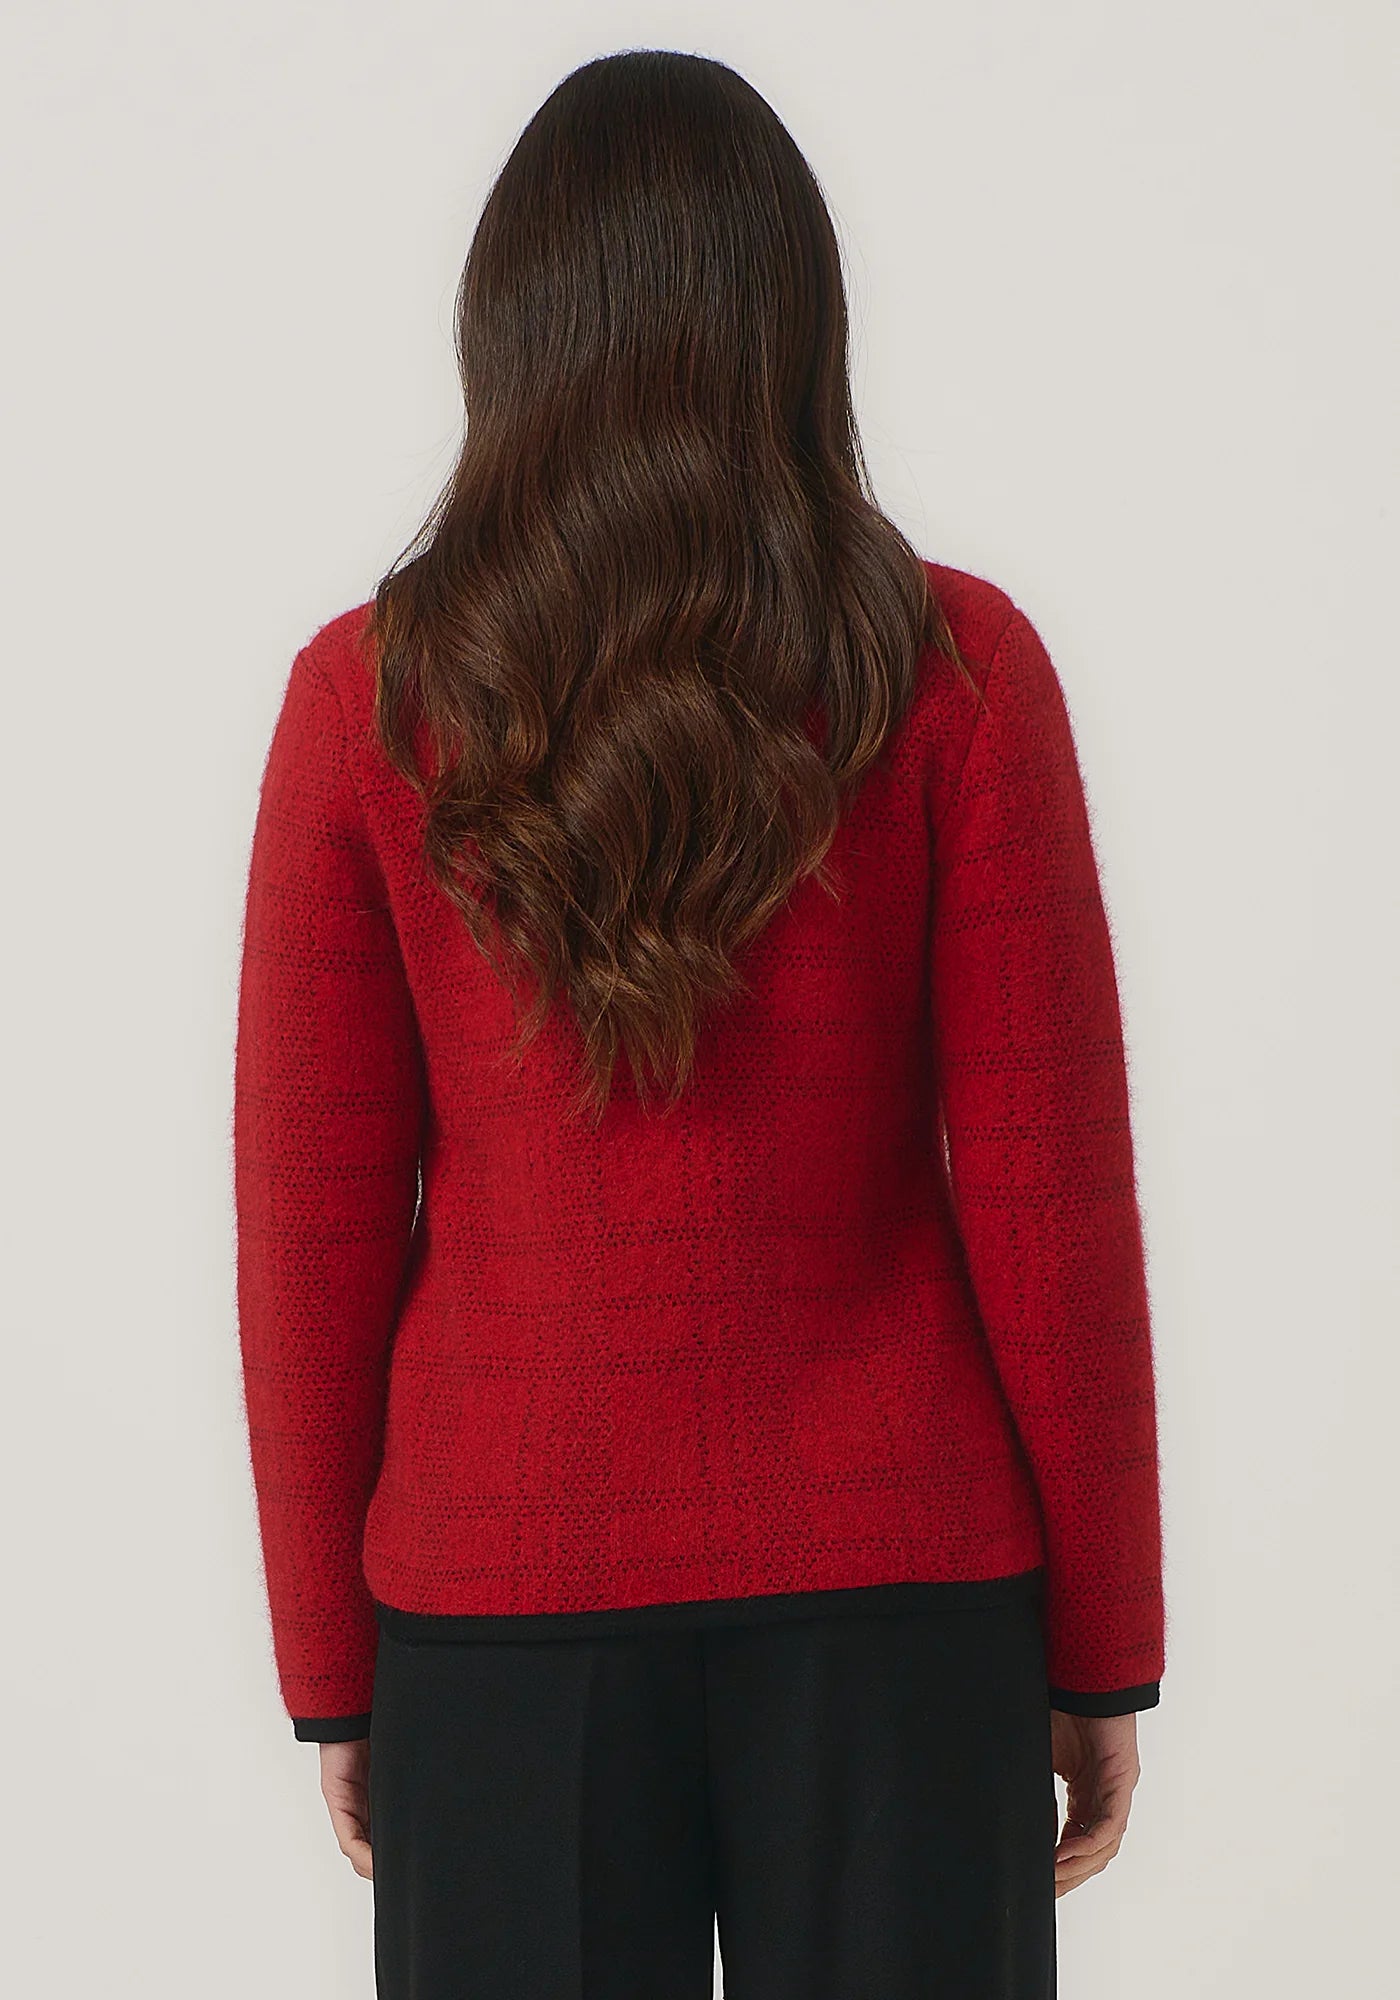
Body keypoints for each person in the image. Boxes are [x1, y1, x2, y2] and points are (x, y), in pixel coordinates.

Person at [233, 46, 1166, 2000]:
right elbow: (1047, 1201)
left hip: (504, 1597)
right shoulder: (952, 669)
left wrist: (333, 1668)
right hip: (903, 1594)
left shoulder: (371, 702)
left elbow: (310, 1230)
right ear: (795, 321)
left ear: (511, 332)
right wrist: (1100, 1647)